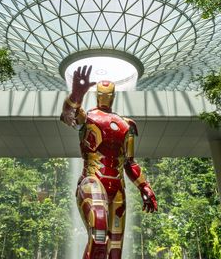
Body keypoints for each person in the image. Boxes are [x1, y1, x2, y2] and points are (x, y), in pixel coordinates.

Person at [61, 65, 157, 259]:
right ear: (97, 95)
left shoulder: (126, 124)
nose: (106, 96)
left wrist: (145, 187)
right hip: (92, 181)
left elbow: (130, 162)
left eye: (109, 93)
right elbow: (68, 115)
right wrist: (76, 95)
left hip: (117, 189)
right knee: (98, 234)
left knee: (115, 249)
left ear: (113, 96)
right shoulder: (87, 117)